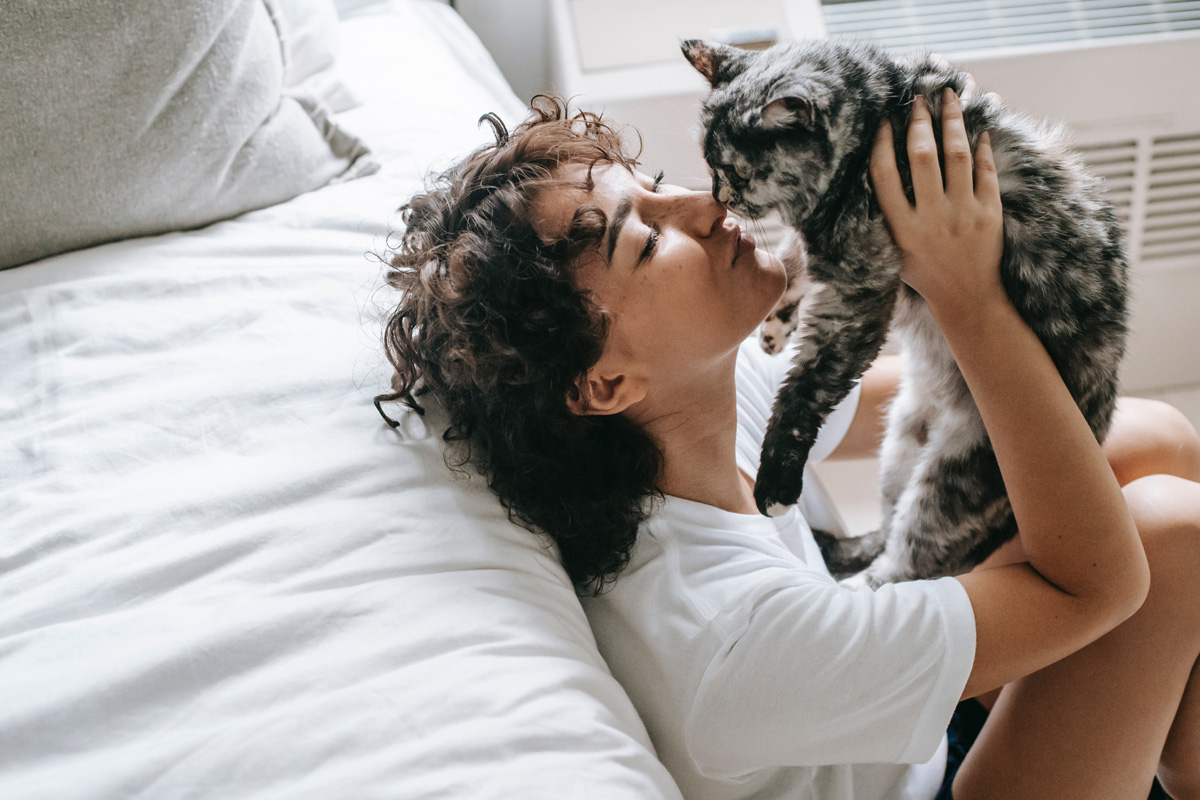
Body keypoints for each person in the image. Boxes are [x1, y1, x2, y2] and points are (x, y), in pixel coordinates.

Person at [376, 93, 1200, 799]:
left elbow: (953, 412)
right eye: (648, 240)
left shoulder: (690, 404)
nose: (704, 205)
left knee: (1148, 437)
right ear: (606, 383)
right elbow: (1096, 588)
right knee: (1169, 533)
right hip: (918, 778)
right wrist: (968, 296)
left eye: (655, 186)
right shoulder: (730, 639)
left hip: (875, 717)